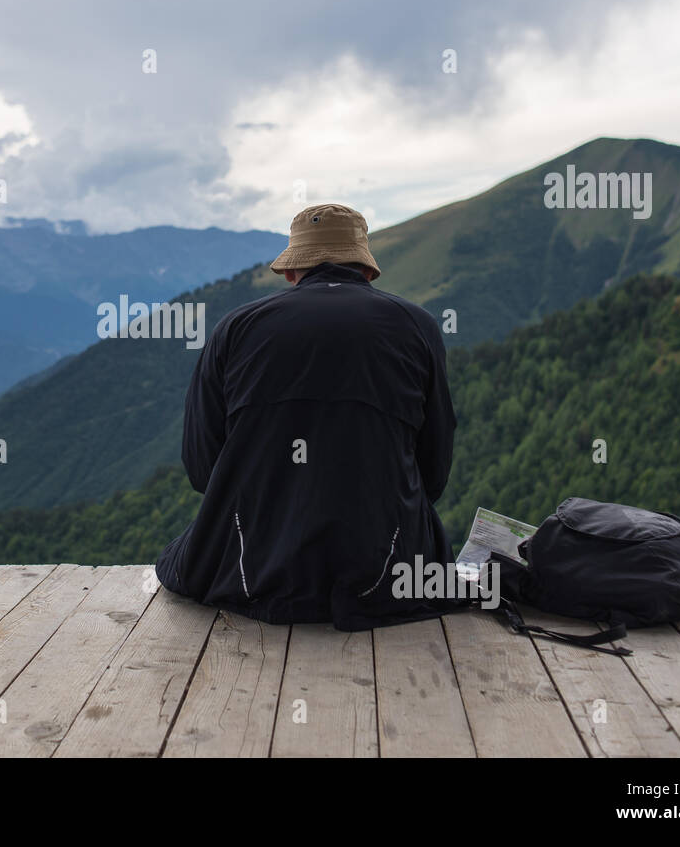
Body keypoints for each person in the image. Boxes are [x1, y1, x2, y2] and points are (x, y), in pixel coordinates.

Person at [154, 203, 457, 630]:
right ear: (366, 269)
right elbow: (434, 469)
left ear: (292, 272)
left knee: (178, 557)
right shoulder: (418, 326)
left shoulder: (236, 328)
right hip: (387, 573)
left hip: (251, 571)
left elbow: (203, 470)